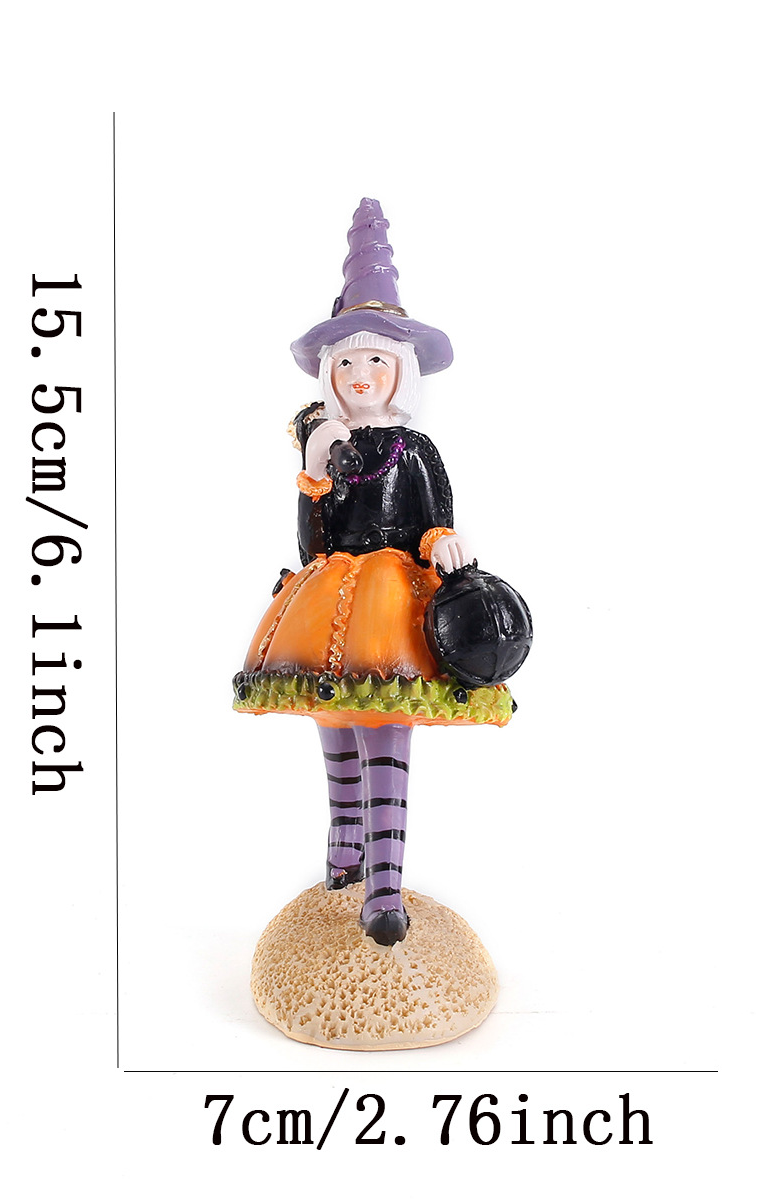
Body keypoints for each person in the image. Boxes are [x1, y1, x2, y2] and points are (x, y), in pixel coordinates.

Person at [233, 199, 516, 946]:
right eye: (347, 363)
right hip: (333, 597)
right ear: (331, 374)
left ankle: (383, 888)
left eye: (376, 361)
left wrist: (443, 544)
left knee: (386, 721)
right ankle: (344, 855)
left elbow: (435, 516)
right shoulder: (329, 444)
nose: (361, 375)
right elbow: (312, 545)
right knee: (334, 718)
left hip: (392, 601)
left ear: (400, 371)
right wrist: (314, 469)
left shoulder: (414, 449)